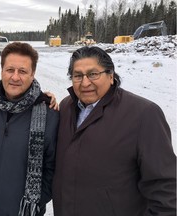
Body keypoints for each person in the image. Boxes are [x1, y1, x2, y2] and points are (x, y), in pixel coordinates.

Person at [52, 46, 176, 215]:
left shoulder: (143, 114)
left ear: (110, 76)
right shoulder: (66, 107)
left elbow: (165, 188)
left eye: (93, 74)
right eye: (78, 76)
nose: (85, 82)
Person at [0, 42, 59, 216]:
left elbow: (53, 165)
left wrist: (40, 197)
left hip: (26, 210)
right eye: (10, 70)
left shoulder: (49, 114)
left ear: (32, 74)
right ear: (2, 70)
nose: (15, 77)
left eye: (23, 71)